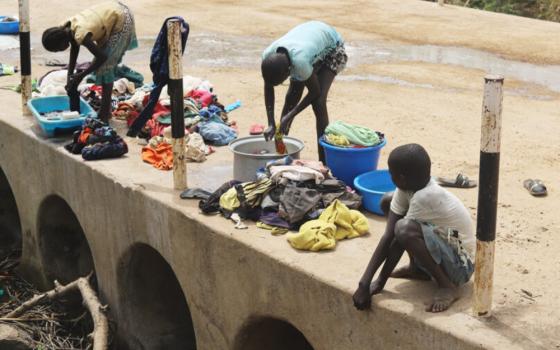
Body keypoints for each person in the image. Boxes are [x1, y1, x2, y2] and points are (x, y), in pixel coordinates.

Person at [352, 144, 475, 313]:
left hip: (461, 265)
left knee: (404, 229)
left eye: (391, 173)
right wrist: (364, 283)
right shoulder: (407, 187)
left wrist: (379, 281)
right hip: (445, 244)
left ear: (401, 178)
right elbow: (388, 235)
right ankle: (416, 269)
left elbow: (398, 239)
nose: (390, 176)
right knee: (388, 200)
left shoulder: (426, 197)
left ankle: (447, 286)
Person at [261, 21, 347, 162]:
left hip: (332, 47)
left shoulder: (300, 62)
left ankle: (323, 161)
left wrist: (289, 116)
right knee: (293, 95)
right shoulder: (268, 57)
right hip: (309, 40)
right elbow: (268, 86)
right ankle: (280, 147)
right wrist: (271, 122)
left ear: (288, 71)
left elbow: (315, 92)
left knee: (318, 103)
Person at [42, 1, 138, 122]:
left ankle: (104, 115)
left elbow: (102, 57)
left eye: (57, 50)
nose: (59, 51)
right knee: (102, 66)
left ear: (61, 42)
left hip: (122, 18)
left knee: (105, 67)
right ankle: (105, 110)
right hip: (111, 10)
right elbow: (74, 48)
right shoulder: (65, 28)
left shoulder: (80, 33)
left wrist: (80, 76)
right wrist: (70, 77)